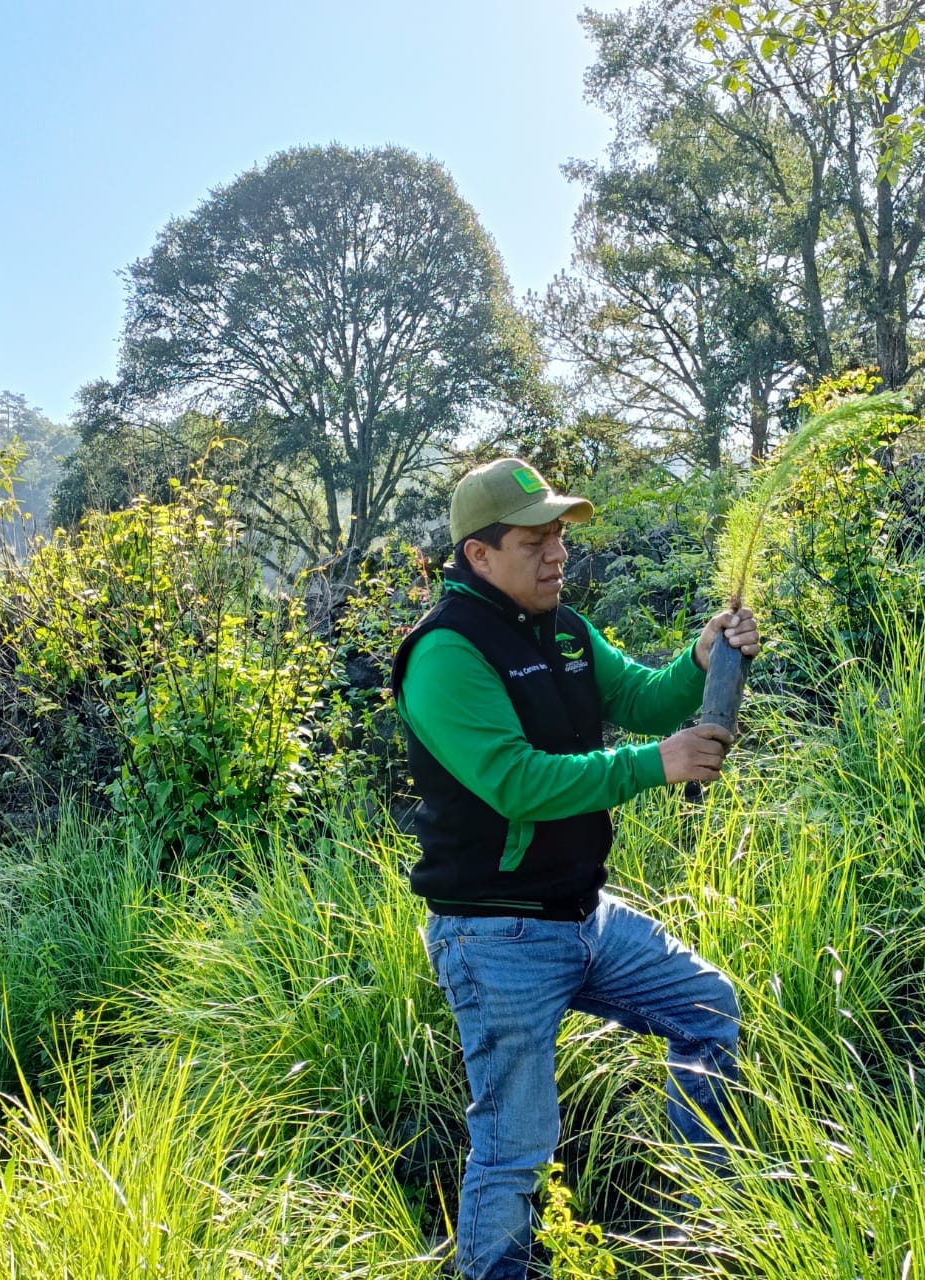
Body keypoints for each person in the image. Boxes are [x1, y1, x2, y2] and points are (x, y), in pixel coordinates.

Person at [390, 457, 760, 1280]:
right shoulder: (445, 653)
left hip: (581, 915)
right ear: (479, 556)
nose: (557, 553)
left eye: (559, 535)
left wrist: (702, 662)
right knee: (516, 1148)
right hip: (494, 935)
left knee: (707, 1008)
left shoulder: (564, 626)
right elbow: (514, 779)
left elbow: (643, 698)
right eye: (535, 540)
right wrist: (653, 766)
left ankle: (702, 1229)